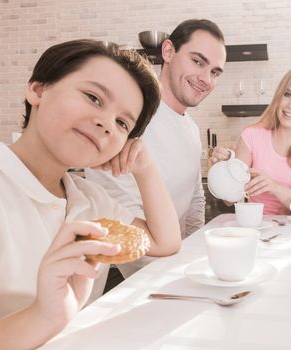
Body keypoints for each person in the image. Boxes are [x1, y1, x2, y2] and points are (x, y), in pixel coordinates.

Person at [0, 39, 181, 347]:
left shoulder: (89, 199)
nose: (106, 124)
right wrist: (43, 316)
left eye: (122, 123)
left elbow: (165, 241)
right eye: (94, 98)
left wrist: (145, 168)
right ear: (38, 90)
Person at [86, 19, 227, 239]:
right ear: (169, 51)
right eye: (198, 61)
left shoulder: (191, 128)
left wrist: (191, 251)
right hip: (139, 267)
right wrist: (167, 263)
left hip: (174, 259)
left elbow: (194, 199)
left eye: (215, 72)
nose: (206, 79)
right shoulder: (129, 117)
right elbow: (120, 217)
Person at [211, 64, 291, 215]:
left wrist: (275, 188)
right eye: (287, 94)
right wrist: (224, 170)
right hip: (258, 230)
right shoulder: (251, 136)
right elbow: (230, 199)